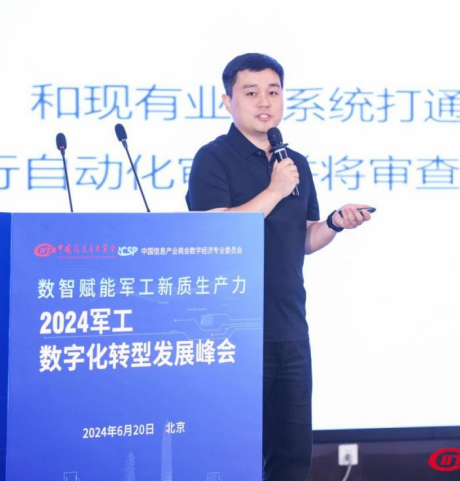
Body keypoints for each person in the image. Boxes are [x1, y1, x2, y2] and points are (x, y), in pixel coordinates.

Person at [185, 53, 372, 481]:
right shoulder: (212, 159)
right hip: (233, 334)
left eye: (273, 91)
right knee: (234, 456)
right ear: (227, 101)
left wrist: (334, 224)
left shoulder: (293, 163)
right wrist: (275, 189)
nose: (264, 101)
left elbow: (302, 238)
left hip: (290, 328)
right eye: (251, 92)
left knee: (291, 459)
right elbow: (217, 234)